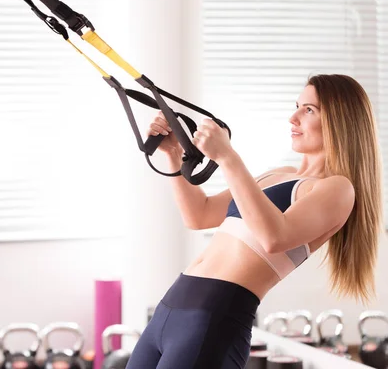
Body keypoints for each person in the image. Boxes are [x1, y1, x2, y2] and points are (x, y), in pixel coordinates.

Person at [126, 74, 382, 369]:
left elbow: (275, 238)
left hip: (213, 318)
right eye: (297, 106)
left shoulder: (336, 188)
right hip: (170, 309)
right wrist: (172, 154)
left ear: (341, 120)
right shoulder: (278, 174)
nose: (293, 117)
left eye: (309, 110)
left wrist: (228, 157)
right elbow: (199, 214)